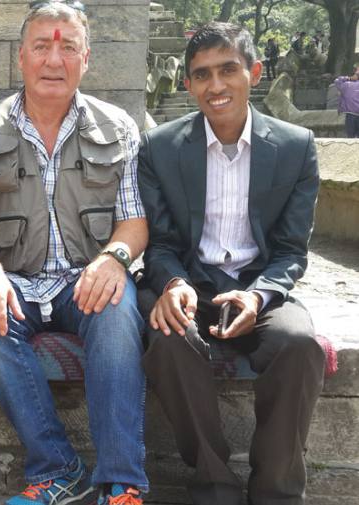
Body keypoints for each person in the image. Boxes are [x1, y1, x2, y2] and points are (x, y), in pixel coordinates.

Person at [0, 2, 149, 504]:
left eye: (67, 47)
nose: (53, 59)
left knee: (117, 305)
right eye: (41, 46)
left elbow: (134, 218)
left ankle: (121, 482)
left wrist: (115, 258)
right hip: (14, 276)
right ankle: (57, 468)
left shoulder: (118, 126)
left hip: (87, 276)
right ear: (21, 57)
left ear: (88, 58)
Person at [138, 22, 325, 505]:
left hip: (258, 285)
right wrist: (173, 280)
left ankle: (276, 491)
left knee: (300, 343)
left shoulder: (295, 146)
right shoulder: (159, 147)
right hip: (189, 283)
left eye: (228, 70)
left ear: (254, 73)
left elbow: (290, 251)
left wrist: (258, 294)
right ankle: (214, 484)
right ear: (188, 83)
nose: (215, 86)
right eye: (202, 75)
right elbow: (158, 242)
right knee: (167, 341)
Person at [334, 66, 359, 137]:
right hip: (351, 115)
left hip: (351, 115)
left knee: (350, 139)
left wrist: (349, 78)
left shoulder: (347, 85)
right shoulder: (347, 85)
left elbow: (337, 81)